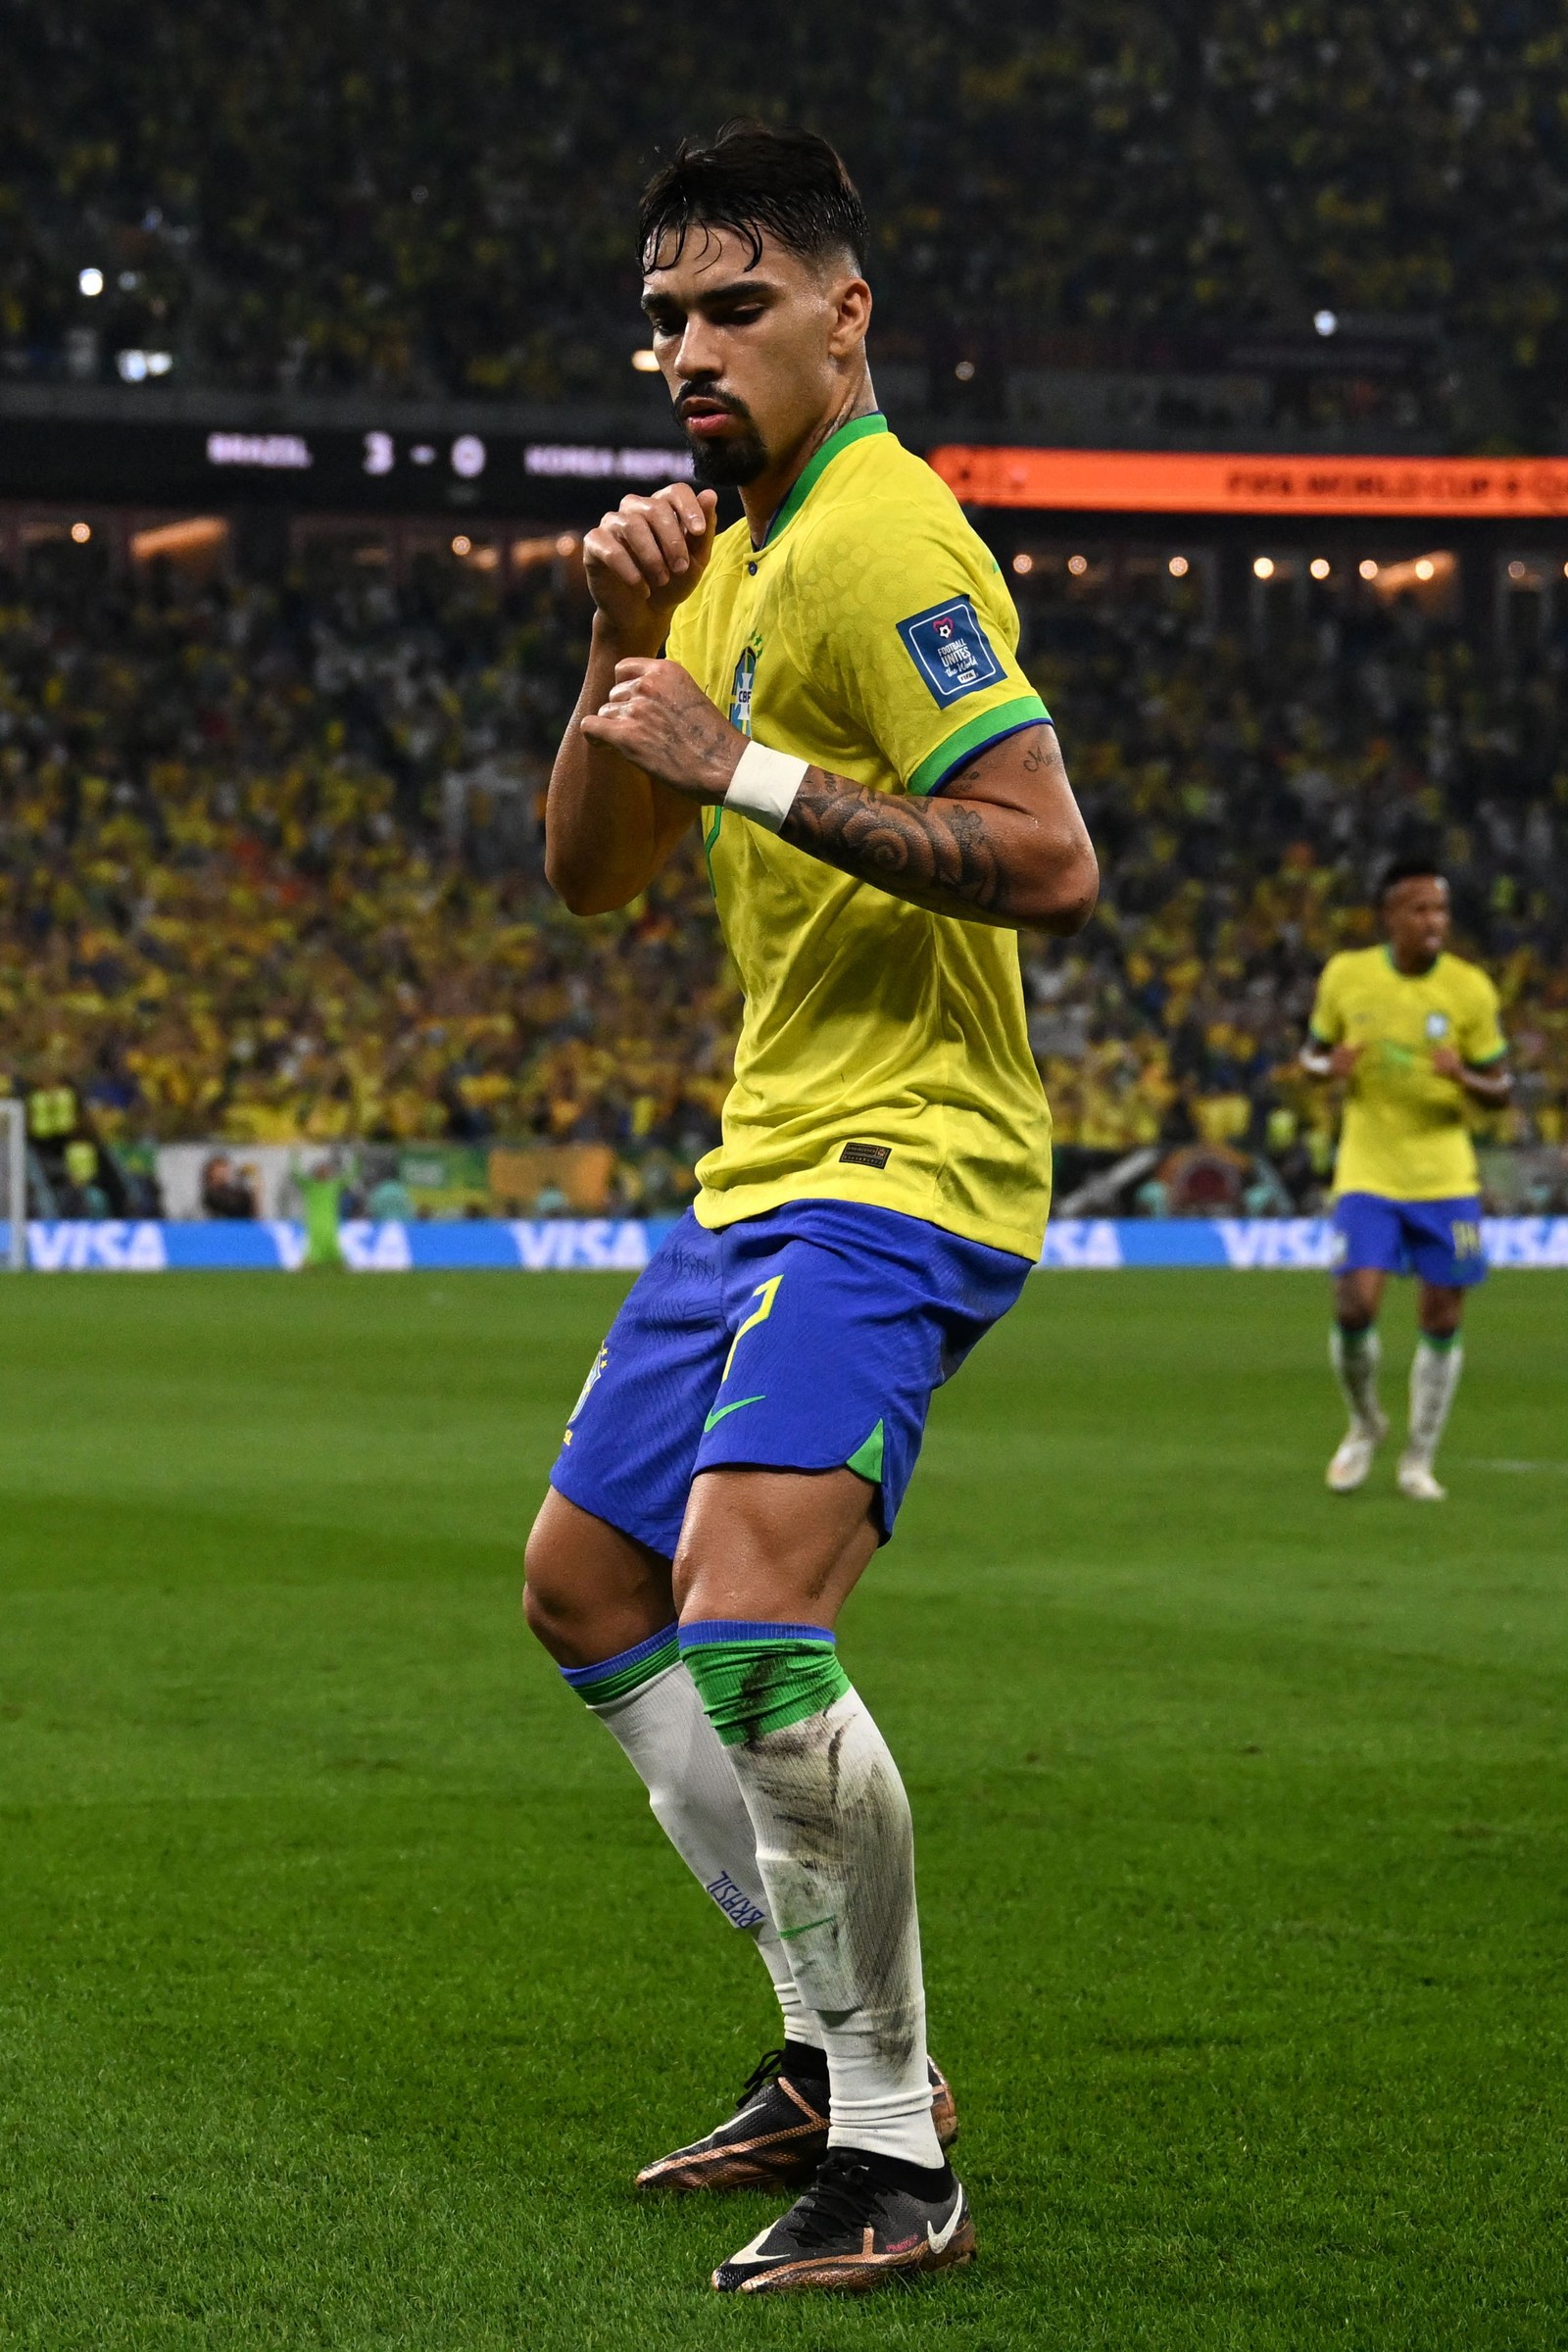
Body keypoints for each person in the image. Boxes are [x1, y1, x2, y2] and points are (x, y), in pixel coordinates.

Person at [520, 122, 1098, 2295]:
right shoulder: (727, 555)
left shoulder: (879, 540)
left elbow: (1048, 860)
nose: (687, 346)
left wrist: (744, 765)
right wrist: (614, 644)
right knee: (589, 1590)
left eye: (733, 304)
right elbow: (590, 877)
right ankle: (813, 2041)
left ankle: (893, 2144)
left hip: (906, 1160)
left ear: (842, 315)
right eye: (664, 311)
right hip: (758, 1162)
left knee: (752, 1624)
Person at [1301, 858, 1511, 1500]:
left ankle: (1419, 1458)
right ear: (1390, 915)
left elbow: (1501, 1087)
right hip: (1368, 1172)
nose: (1433, 922)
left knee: (1442, 1315)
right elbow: (1310, 1056)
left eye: (1440, 910)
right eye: (1420, 909)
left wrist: (1463, 1078)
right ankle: (1365, 1424)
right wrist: (1324, 1067)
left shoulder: (1471, 989)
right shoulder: (1346, 975)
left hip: (1446, 1177)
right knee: (1353, 1303)